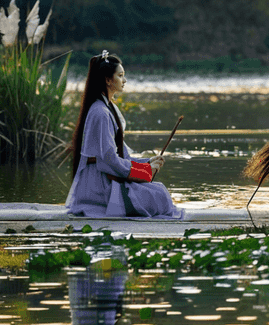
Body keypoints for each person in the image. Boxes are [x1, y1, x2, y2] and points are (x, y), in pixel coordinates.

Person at [66, 51, 184, 218]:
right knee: (159, 196)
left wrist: (147, 163)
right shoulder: (101, 113)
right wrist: (144, 171)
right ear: (107, 80)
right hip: (98, 186)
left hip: (105, 178)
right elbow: (109, 160)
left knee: (158, 191)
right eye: (120, 75)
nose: (124, 80)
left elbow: (121, 156)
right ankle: (99, 206)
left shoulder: (107, 108)